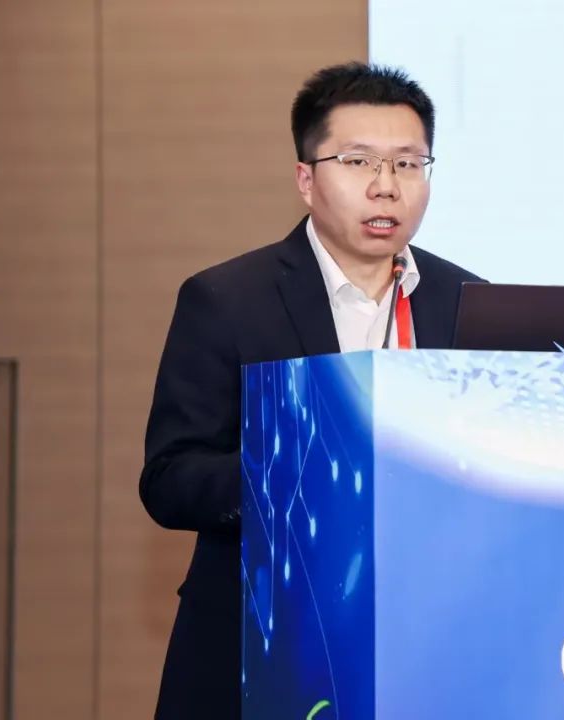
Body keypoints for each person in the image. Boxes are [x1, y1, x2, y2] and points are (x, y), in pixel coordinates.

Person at [140, 62, 483, 719]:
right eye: (358, 162)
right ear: (306, 179)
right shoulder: (228, 301)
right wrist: (298, 473)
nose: (386, 186)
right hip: (264, 645)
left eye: (408, 164)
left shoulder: (469, 302)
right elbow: (169, 478)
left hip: (427, 642)